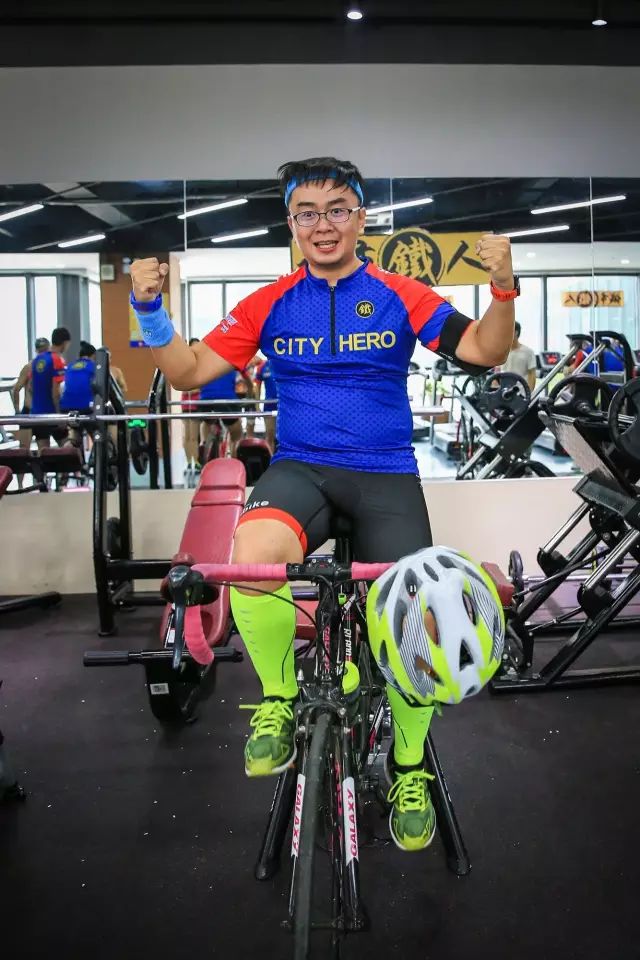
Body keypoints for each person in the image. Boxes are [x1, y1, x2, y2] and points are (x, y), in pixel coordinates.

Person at [129, 156, 517, 852]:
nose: (323, 224)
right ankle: (279, 701)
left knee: (416, 616)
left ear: (361, 217)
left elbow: (486, 350)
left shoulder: (401, 293)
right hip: (300, 469)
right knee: (252, 554)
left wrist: (503, 288)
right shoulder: (270, 302)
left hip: (385, 473)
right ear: (292, 223)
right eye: (307, 212)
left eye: (337, 209)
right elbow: (187, 371)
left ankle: (408, 767)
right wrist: (149, 311)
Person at [10, 338, 47, 487]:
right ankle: (39, 484)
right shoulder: (43, 367)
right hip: (37, 413)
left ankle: (26, 484)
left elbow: (16, 389)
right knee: (39, 451)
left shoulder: (30, 367)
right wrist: (17, 411)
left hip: (32, 412)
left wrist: (17, 410)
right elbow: (16, 389)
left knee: (26, 452)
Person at [29, 326, 70, 450]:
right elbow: (56, 391)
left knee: (43, 452)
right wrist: (60, 416)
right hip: (52, 414)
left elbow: (31, 387)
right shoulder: (57, 359)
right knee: (68, 448)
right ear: (65, 343)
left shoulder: (36, 360)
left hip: (36, 414)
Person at [60, 341, 96, 448]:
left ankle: (69, 451)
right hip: (86, 407)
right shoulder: (93, 366)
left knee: (75, 439)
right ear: (93, 355)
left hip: (67, 407)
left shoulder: (70, 366)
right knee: (97, 437)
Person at [182, 337, 201, 469]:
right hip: (186, 404)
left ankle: (196, 461)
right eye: (193, 346)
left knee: (194, 436)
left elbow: (201, 385)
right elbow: (183, 386)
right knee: (187, 435)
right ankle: (189, 462)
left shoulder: (201, 365)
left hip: (196, 404)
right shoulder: (185, 364)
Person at [500, 321, 536, 391]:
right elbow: (497, 372)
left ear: (516, 332)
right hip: (504, 391)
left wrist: (529, 392)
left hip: (521, 392)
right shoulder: (502, 351)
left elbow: (532, 374)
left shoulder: (528, 352)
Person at [254, 357, 278, 453]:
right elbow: (257, 386)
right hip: (269, 404)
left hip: (285, 405)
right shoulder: (263, 366)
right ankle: (270, 459)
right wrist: (257, 406)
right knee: (269, 435)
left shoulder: (286, 362)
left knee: (286, 436)